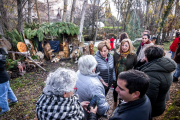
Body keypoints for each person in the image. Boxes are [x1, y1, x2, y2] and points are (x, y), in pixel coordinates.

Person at [137, 45, 176, 117]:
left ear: (148, 57)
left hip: (152, 108)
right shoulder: (164, 65)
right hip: (160, 103)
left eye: (145, 55)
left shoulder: (151, 74)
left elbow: (149, 97)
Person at [113, 39, 137, 109]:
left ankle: (121, 104)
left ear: (129, 46)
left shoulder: (133, 55)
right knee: (115, 90)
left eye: (126, 45)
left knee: (123, 90)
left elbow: (136, 66)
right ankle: (115, 103)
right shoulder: (116, 54)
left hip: (127, 77)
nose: (124, 47)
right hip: (117, 76)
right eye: (122, 45)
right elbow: (113, 65)